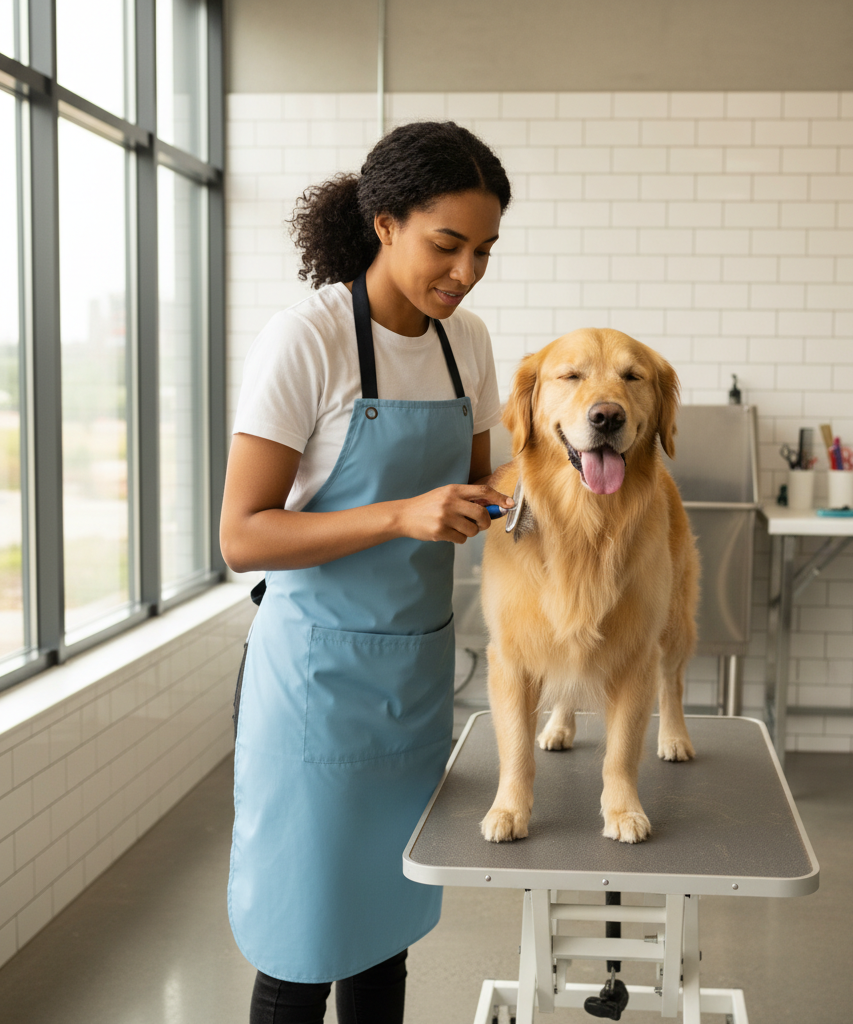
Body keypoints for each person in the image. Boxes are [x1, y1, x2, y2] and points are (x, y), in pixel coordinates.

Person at [220, 121, 514, 1024]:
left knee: (385, 936)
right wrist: (398, 513)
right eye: (447, 245)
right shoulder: (307, 340)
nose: (465, 272)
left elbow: (473, 487)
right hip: (315, 683)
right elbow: (243, 537)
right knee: (302, 945)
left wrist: (542, 473)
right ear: (384, 225)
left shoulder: (468, 343)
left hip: (414, 678)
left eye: (485, 251)